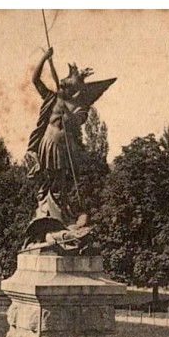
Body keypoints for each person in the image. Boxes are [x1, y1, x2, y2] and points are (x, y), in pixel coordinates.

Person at [25, 47, 115, 222]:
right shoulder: (51, 98)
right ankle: (47, 211)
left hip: (65, 148)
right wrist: (45, 57)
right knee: (49, 180)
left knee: (63, 183)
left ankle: (61, 214)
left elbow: (77, 122)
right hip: (48, 143)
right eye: (62, 85)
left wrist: (66, 107)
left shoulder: (79, 106)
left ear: (73, 90)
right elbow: (35, 80)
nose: (61, 88)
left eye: (65, 86)